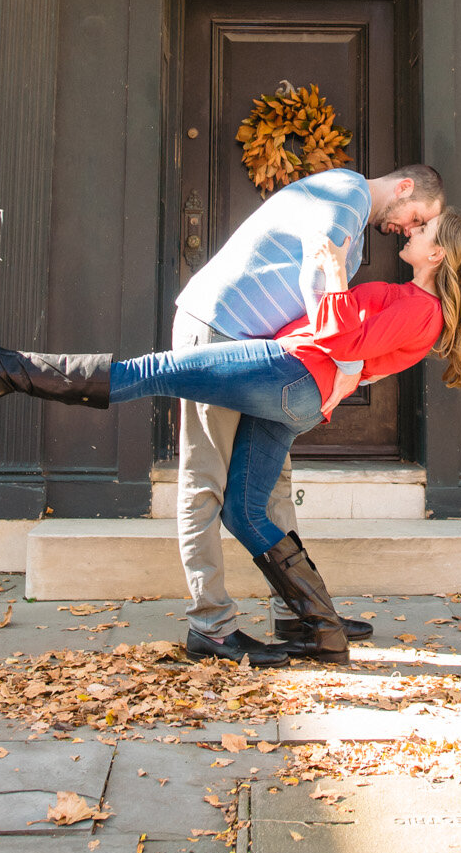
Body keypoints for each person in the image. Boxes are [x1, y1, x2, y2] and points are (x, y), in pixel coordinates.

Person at [0, 208, 461, 665]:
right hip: (297, 387)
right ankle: (320, 628)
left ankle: (9, 370)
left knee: (152, 372)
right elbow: (356, 350)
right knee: (244, 510)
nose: (413, 231)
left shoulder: (422, 311)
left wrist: (332, 273)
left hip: (290, 371)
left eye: (425, 230)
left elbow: (339, 336)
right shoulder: (413, 303)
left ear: (438, 255)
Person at [169, 163, 445, 664]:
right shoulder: (344, 195)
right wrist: (345, 367)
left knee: (271, 482)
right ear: (404, 187)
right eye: (417, 216)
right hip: (217, 329)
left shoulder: (353, 218)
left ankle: (296, 612)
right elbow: (319, 273)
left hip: (260, 350)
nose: (410, 228)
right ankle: (210, 627)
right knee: (205, 481)